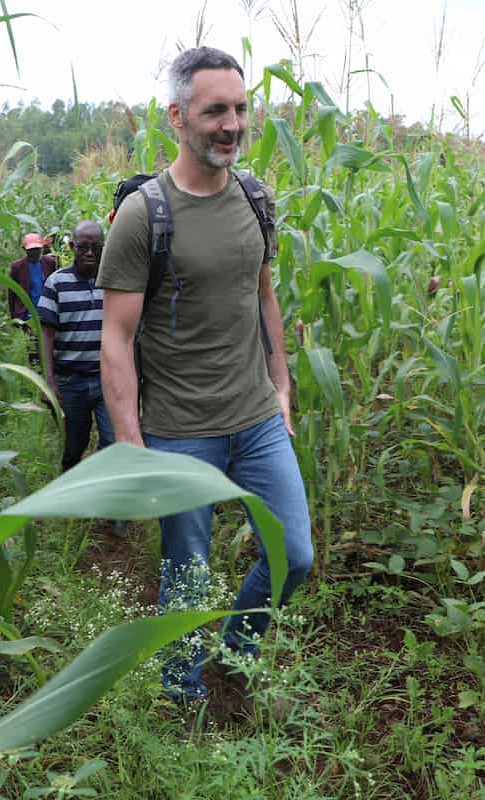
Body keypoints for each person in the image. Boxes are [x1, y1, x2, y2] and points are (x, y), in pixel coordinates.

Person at [97, 46, 314, 706]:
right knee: (186, 574)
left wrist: (281, 384)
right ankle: (184, 692)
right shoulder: (144, 215)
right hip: (180, 432)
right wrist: (133, 449)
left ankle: (236, 652)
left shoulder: (255, 199)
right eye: (215, 110)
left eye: (241, 109)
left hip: (254, 419)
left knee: (294, 555)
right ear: (177, 116)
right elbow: (116, 339)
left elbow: (264, 297)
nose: (232, 124)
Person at [38, 221, 116, 474]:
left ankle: (108, 502)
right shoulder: (56, 283)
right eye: (83, 247)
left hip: (107, 378)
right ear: (72, 247)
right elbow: (47, 335)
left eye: (96, 247)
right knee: (74, 444)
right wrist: (49, 381)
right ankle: (70, 491)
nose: (90, 253)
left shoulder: (115, 281)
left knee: (113, 442)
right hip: (71, 381)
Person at [8, 232, 57, 323]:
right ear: (24, 249)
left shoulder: (51, 262)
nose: (34, 253)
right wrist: (14, 317)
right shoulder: (17, 267)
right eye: (31, 250)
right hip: (26, 315)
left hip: (47, 313)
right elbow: (12, 293)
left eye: (37, 249)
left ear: (42, 248)